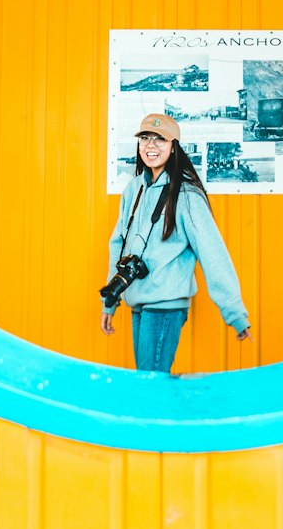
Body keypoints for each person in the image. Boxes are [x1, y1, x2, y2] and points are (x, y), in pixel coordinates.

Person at [102, 112, 253, 373]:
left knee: (151, 387)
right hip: (138, 303)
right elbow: (118, 244)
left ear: (174, 148)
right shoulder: (134, 188)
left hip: (166, 305)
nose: (151, 146)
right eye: (145, 139)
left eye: (160, 139)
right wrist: (111, 301)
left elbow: (212, 253)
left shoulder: (186, 194)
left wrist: (235, 313)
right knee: (148, 383)